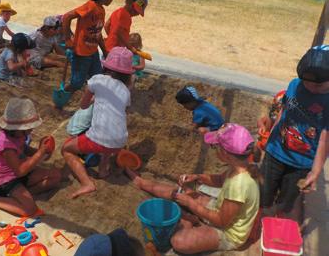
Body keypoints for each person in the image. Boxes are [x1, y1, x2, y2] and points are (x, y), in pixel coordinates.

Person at [126, 123, 260, 253]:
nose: (213, 150)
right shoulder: (240, 166)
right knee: (181, 192)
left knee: (179, 241)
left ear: (225, 153)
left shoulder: (239, 185)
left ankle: (190, 221)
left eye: (215, 147)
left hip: (228, 233)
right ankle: (142, 183)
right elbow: (219, 180)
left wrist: (190, 203)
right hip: (220, 209)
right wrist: (197, 177)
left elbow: (221, 221)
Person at [260, 45, 329, 218]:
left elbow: (324, 140)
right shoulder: (294, 85)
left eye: (319, 85)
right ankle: (260, 216)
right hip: (275, 152)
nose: (311, 88)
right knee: (263, 191)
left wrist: (315, 171)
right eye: (307, 83)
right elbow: (283, 112)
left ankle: (276, 218)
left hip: (302, 163)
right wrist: (269, 139)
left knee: (287, 199)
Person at [61, 47, 133, 199]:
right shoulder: (126, 91)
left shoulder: (97, 80)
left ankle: (87, 183)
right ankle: (102, 170)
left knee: (66, 149)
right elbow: (121, 112)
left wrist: (95, 99)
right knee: (107, 136)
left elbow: (84, 106)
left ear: (106, 66)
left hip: (101, 138)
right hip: (120, 140)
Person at [0, 98, 62, 217]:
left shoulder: (18, 135)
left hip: (21, 174)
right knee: (28, 210)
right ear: (17, 129)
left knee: (56, 176)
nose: (30, 131)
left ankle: (23, 196)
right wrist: (40, 153)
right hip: (7, 181)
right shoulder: (6, 144)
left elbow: (24, 149)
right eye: (28, 129)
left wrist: (41, 152)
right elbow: (19, 171)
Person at [62, 0, 118, 92]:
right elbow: (66, 17)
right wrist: (67, 39)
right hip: (81, 53)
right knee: (77, 83)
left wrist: (104, 51)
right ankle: (63, 94)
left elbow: (97, 34)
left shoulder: (101, 10)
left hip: (93, 52)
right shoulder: (91, 6)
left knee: (97, 77)